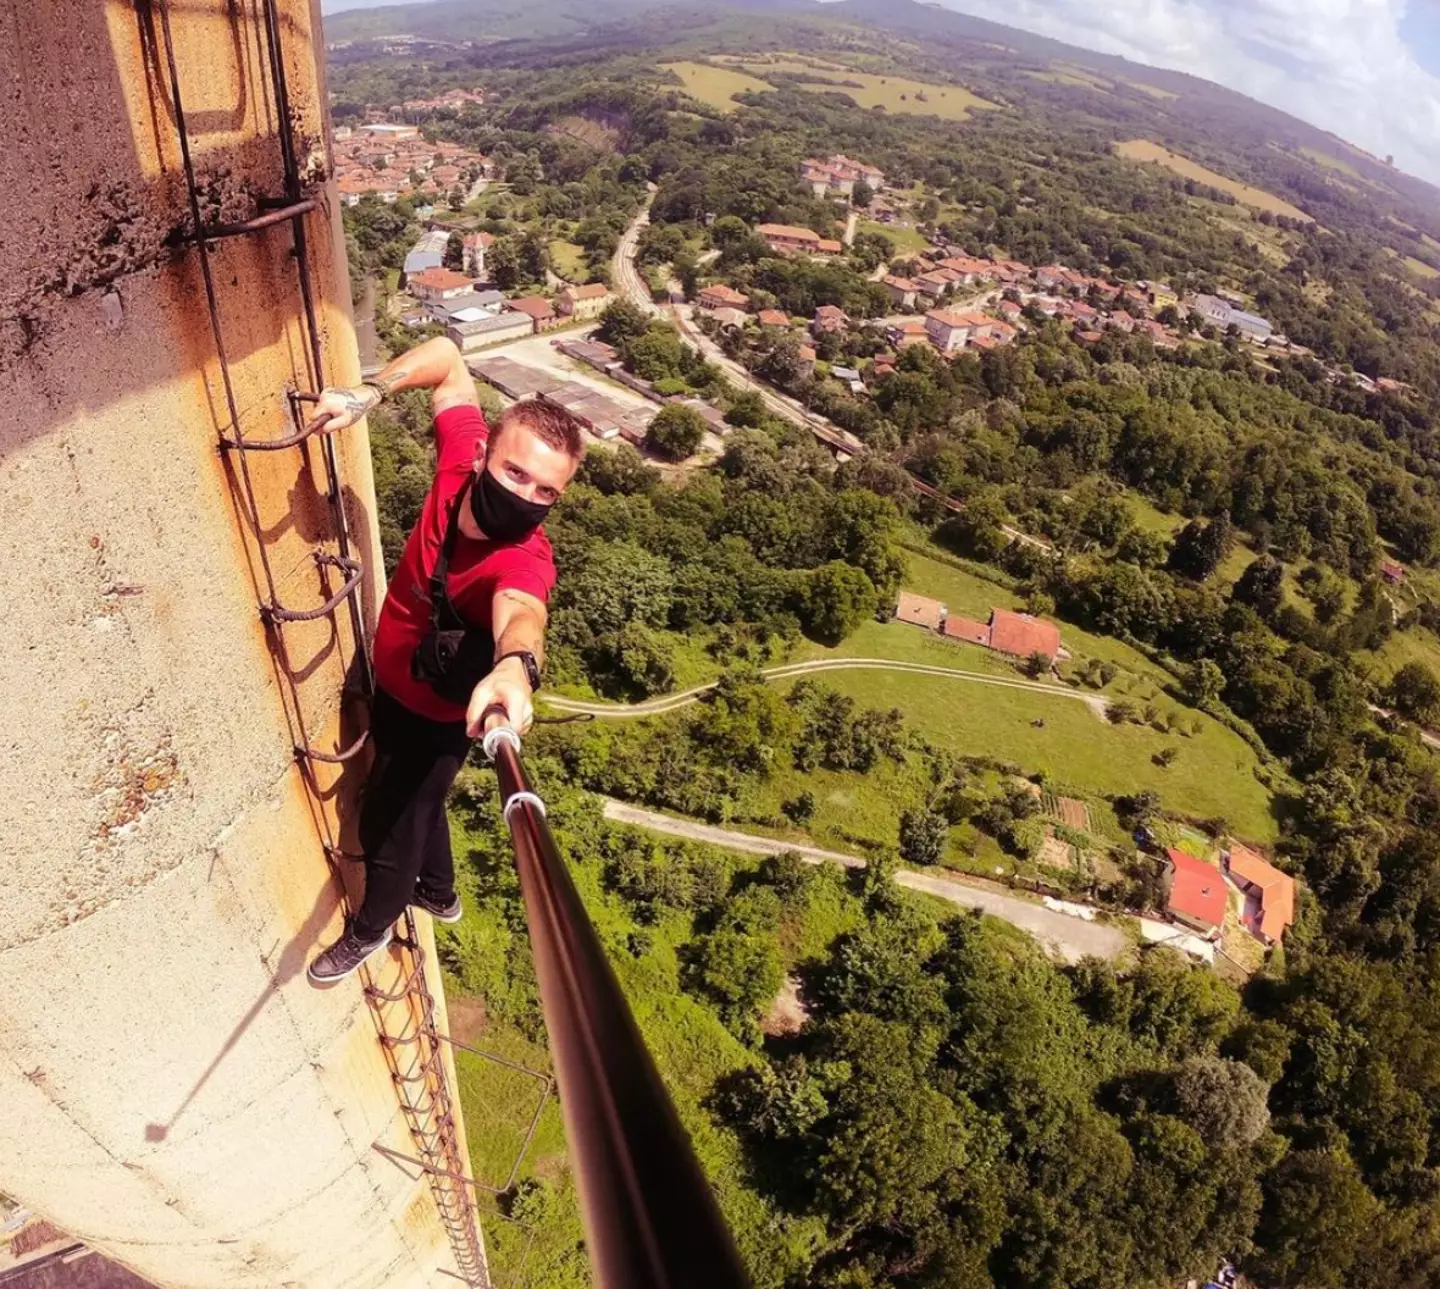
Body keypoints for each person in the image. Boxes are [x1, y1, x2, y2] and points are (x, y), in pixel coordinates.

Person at [306, 337, 584, 983]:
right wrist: (369, 393)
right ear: (485, 453)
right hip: (397, 689)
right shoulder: (460, 462)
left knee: (388, 825)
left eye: (546, 490)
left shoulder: (522, 559)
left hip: (439, 719)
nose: (526, 496)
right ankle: (439, 892)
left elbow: (523, 612)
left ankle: (372, 927)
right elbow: (449, 360)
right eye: (516, 473)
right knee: (420, 805)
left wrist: (516, 667)